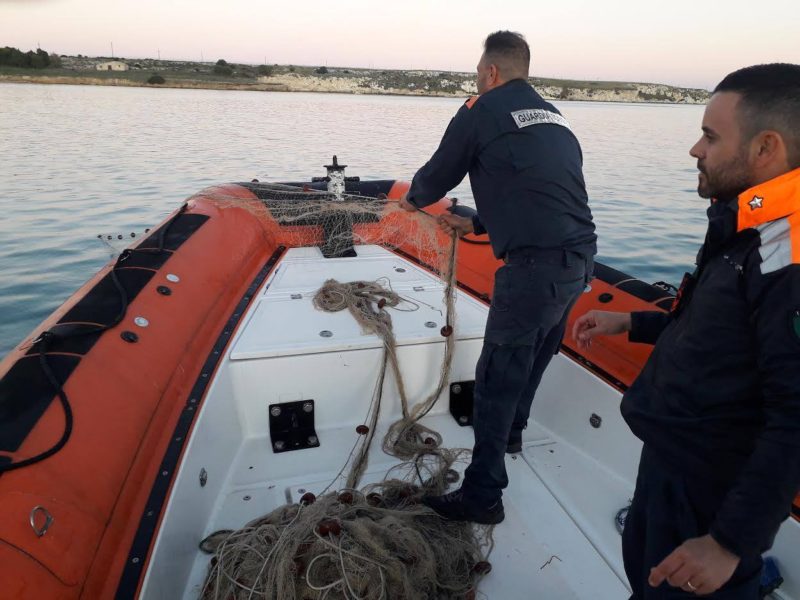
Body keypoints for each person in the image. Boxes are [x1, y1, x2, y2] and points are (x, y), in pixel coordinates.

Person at [572, 63, 800, 598]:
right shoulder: (749, 225)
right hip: (672, 467)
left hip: (711, 490)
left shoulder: (786, 258)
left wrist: (727, 543)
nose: (695, 150)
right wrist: (631, 321)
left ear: (766, 148)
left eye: (710, 136)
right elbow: (717, 331)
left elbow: (796, 413)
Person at [398, 30, 596, 524]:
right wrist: (480, 222)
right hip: (580, 258)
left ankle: (483, 495)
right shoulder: (552, 115)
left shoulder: (482, 108)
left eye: (477, 72)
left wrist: (411, 201)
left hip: (535, 267)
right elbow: (539, 184)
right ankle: (512, 435)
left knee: (496, 376)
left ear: (490, 72)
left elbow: (439, 174)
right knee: (536, 355)